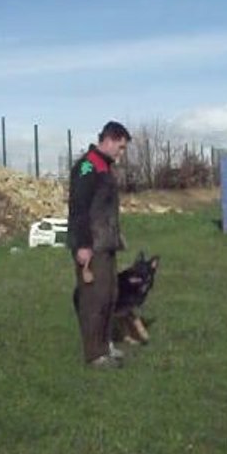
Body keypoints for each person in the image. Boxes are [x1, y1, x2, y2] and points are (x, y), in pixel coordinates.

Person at [67, 121, 132, 368]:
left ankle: (105, 345)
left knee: (109, 295)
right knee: (94, 298)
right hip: (91, 244)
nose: (121, 153)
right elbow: (79, 209)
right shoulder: (87, 166)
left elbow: (104, 208)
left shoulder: (104, 166)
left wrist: (117, 235)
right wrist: (82, 245)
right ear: (109, 139)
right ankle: (95, 354)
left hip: (106, 242)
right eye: (121, 147)